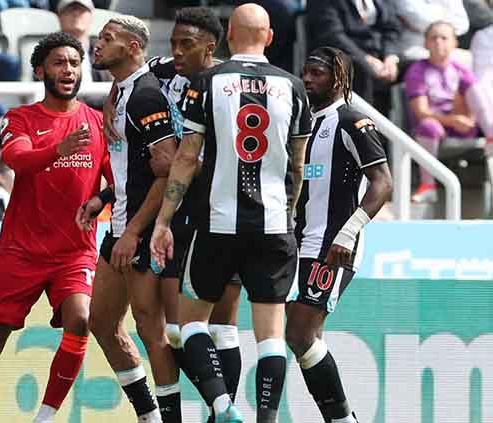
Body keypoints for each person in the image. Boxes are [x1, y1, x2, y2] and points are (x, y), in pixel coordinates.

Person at [150, 4, 311, 423]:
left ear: (228, 37)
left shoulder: (207, 82)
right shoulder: (294, 87)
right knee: (271, 336)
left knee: (191, 325)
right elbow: (299, 164)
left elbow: (186, 158)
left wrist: (164, 219)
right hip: (275, 226)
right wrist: (289, 214)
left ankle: (222, 407)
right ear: (270, 37)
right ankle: (267, 418)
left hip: (218, 223)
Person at [0, 32, 111, 423]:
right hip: (23, 249)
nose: (68, 70)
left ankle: (45, 417)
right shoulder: (20, 118)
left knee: (82, 319)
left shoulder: (96, 123)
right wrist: (58, 151)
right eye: (58, 63)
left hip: (75, 250)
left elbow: (117, 180)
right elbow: (17, 159)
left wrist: (100, 200)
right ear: (40, 71)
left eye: (74, 63)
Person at [144, 8, 243, 422]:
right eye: (174, 43)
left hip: (222, 213)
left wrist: (194, 162)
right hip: (173, 212)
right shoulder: (158, 72)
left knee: (221, 326)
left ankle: (221, 410)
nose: (177, 52)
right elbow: (131, 88)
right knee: (175, 331)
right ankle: (218, 408)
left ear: (211, 46)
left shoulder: (230, 84)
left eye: (188, 45)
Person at [80, 16, 179, 423]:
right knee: (102, 322)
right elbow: (132, 165)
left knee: (151, 331)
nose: (97, 45)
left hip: (140, 231)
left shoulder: (144, 96)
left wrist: (135, 233)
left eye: (108, 38)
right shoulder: (121, 93)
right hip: (119, 224)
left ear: (135, 46)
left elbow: (168, 169)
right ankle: (148, 414)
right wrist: (103, 197)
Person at [286, 46, 393, 423]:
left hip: (334, 244)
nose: (309, 79)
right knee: (302, 337)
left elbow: (383, 183)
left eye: (317, 73)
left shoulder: (351, 121)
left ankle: (343, 419)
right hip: (297, 243)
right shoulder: (300, 123)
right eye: (306, 72)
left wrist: (349, 233)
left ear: (339, 78)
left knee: (300, 334)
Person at [404, 21, 493, 202]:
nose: (438, 42)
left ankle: (491, 134)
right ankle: (427, 185)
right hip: (433, 130)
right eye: (433, 38)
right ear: (425, 43)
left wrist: (467, 119)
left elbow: (477, 101)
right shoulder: (417, 71)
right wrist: (453, 120)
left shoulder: (461, 69)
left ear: (454, 43)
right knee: (429, 126)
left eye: (444, 38)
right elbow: (421, 112)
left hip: (463, 126)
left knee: (474, 90)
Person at [306, 0, 402, 114]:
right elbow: (332, 35)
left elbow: (392, 28)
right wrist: (367, 59)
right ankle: (363, 124)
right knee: (363, 69)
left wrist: (390, 57)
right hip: (342, 54)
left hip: (380, 53)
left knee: (414, 67)